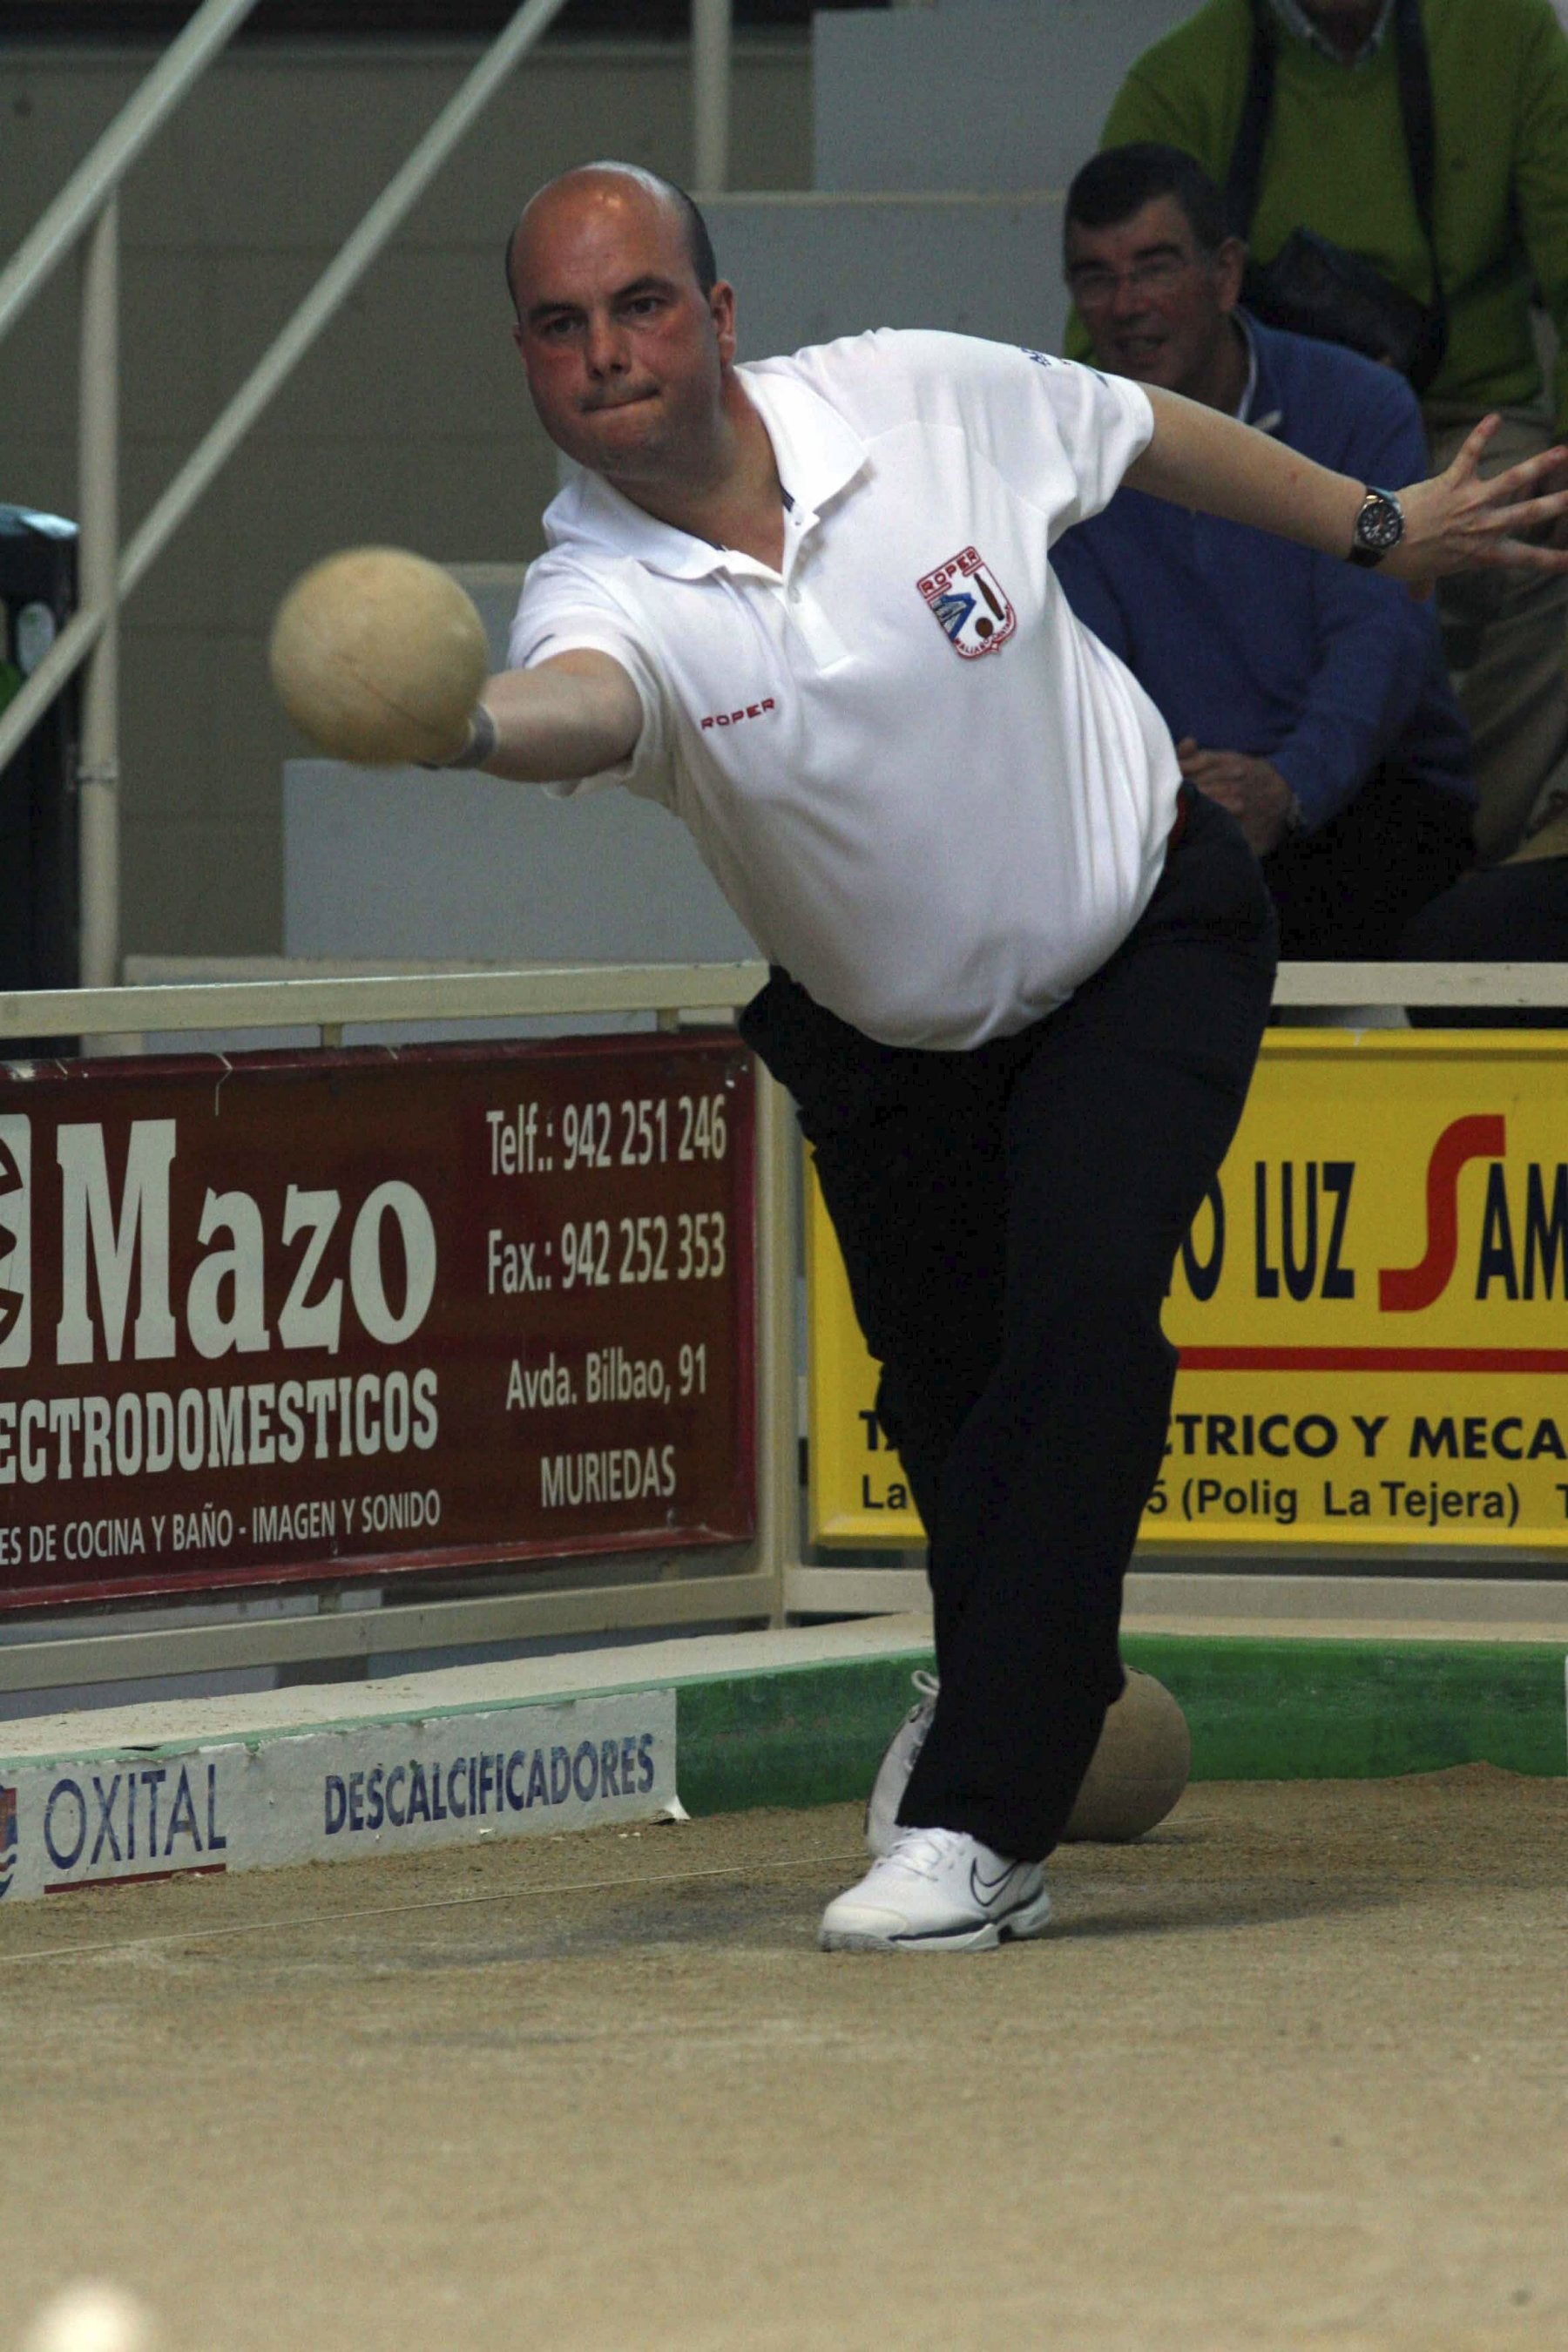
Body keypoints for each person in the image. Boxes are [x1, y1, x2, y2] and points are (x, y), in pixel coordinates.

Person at [447, 161, 1566, 1953]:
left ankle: (982, 1819)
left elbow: (1143, 434)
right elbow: (587, 702)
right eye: (562, 324)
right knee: (958, 1421)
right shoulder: (600, 586)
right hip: (892, 1049)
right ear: (527, 355)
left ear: (720, 314)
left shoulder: (913, 396)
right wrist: (470, 725)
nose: (608, 352)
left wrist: (1382, 525)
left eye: (643, 302)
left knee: (1086, 1310)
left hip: (1142, 933)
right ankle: (1005, 1697)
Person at [1087, 0, 1568, 870]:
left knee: (1547, 516)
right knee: (1137, 514)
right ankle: (1193, 804)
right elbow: (1106, 323)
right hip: (1270, 424)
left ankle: (1496, 863)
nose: (1123, 297)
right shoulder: (1185, 75)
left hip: (1469, 412)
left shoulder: (1511, 32)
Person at [1051, 143, 1475, 958]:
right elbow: (1091, 676)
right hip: (1181, 816)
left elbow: (1377, 643)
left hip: (1363, 797)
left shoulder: (1360, 405)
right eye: (1097, 278)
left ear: (1227, 274)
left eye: (1156, 266)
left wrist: (1287, 788)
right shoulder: (1060, 441)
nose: (1128, 303)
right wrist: (1176, 794)